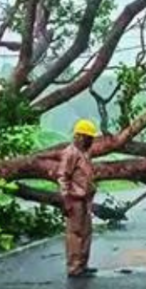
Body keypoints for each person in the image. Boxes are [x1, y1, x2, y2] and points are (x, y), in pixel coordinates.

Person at [58, 119, 98, 278]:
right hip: (74, 199)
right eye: (89, 138)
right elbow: (63, 176)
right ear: (80, 137)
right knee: (75, 234)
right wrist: (65, 199)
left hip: (84, 200)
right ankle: (74, 267)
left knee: (86, 232)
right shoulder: (70, 153)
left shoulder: (83, 153)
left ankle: (82, 264)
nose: (91, 141)